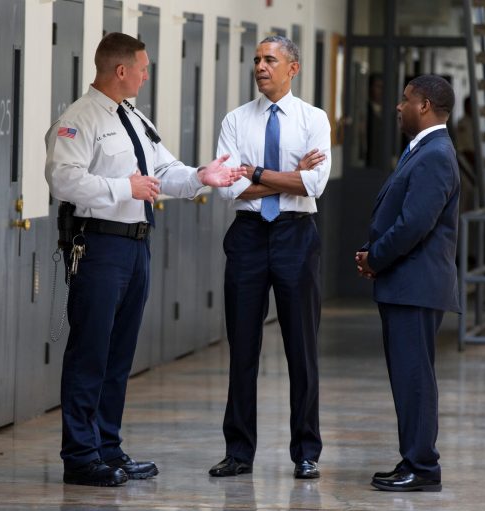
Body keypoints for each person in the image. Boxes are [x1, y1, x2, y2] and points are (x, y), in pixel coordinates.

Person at [44, 32, 245, 487]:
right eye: (142, 66)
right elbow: (63, 179)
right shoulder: (80, 119)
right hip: (98, 247)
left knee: (118, 355)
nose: (146, 74)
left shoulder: (133, 117)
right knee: (90, 353)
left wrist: (202, 176)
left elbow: (163, 171)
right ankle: (80, 456)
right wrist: (123, 189)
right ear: (121, 71)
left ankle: (108, 449)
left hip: (136, 245)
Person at [209, 35, 331, 480]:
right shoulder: (236, 120)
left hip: (295, 236)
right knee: (243, 347)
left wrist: (257, 174)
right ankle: (238, 451)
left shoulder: (313, 119)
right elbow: (227, 187)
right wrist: (290, 175)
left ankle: (306, 452)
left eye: (270, 60)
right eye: (257, 59)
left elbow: (314, 185)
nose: (260, 66)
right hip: (247, 237)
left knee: (302, 348)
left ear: (292, 68)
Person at [355, 74, 461, 492]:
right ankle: (412, 460)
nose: (399, 106)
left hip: (415, 285)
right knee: (408, 376)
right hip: (407, 283)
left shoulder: (435, 153)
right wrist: (372, 251)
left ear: (425, 106)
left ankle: (423, 466)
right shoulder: (423, 149)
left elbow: (414, 223)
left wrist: (376, 257)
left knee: (414, 377)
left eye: (406, 99)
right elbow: (400, 214)